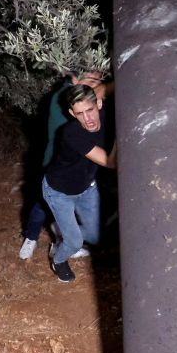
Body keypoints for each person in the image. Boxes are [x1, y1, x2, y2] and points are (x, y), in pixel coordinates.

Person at [19, 71, 111, 260]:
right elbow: (98, 95)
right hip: (55, 161)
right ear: (75, 79)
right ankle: (31, 236)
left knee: (74, 200)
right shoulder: (63, 97)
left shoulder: (86, 100)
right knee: (43, 203)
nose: (95, 85)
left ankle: (65, 235)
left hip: (79, 161)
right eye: (91, 80)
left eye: (98, 81)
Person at [41, 82, 116, 283]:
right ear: (72, 114)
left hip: (87, 188)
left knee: (96, 236)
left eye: (90, 110)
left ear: (98, 104)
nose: (87, 118)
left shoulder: (109, 116)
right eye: (80, 113)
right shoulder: (72, 133)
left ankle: (62, 228)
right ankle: (58, 257)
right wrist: (122, 135)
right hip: (59, 192)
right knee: (74, 243)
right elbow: (111, 162)